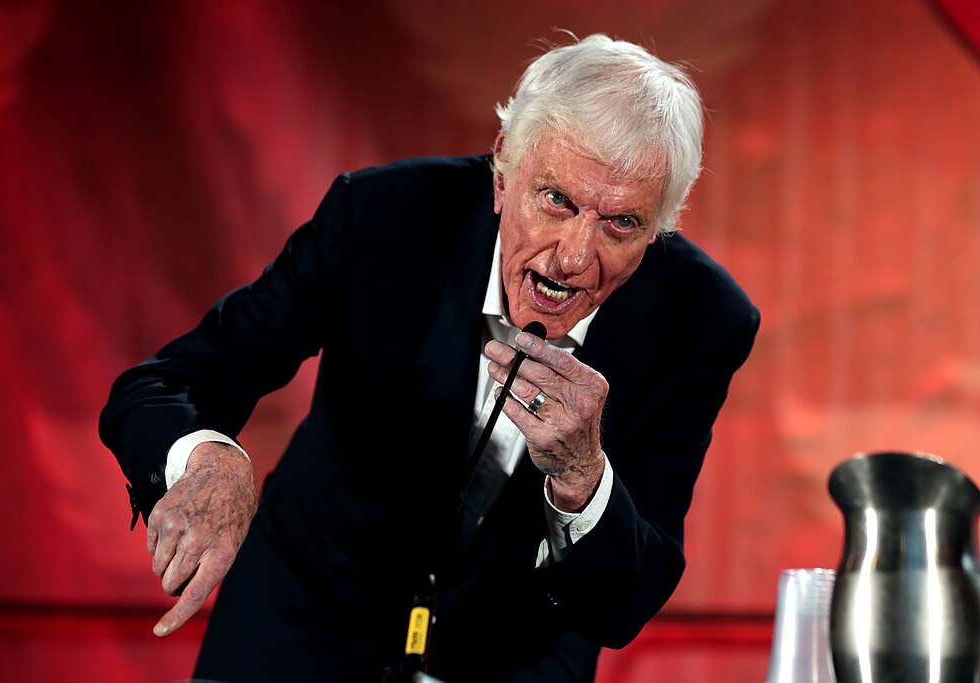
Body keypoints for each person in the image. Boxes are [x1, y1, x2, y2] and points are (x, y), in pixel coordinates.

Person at [99, 32, 759, 683]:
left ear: (662, 225)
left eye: (622, 224)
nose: (574, 256)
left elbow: (626, 600)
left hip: (512, 657)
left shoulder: (703, 320)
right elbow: (164, 384)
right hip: (301, 621)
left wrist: (582, 478)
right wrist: (208, 458)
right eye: (556, 201)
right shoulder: (383, 218)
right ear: (503, 171)